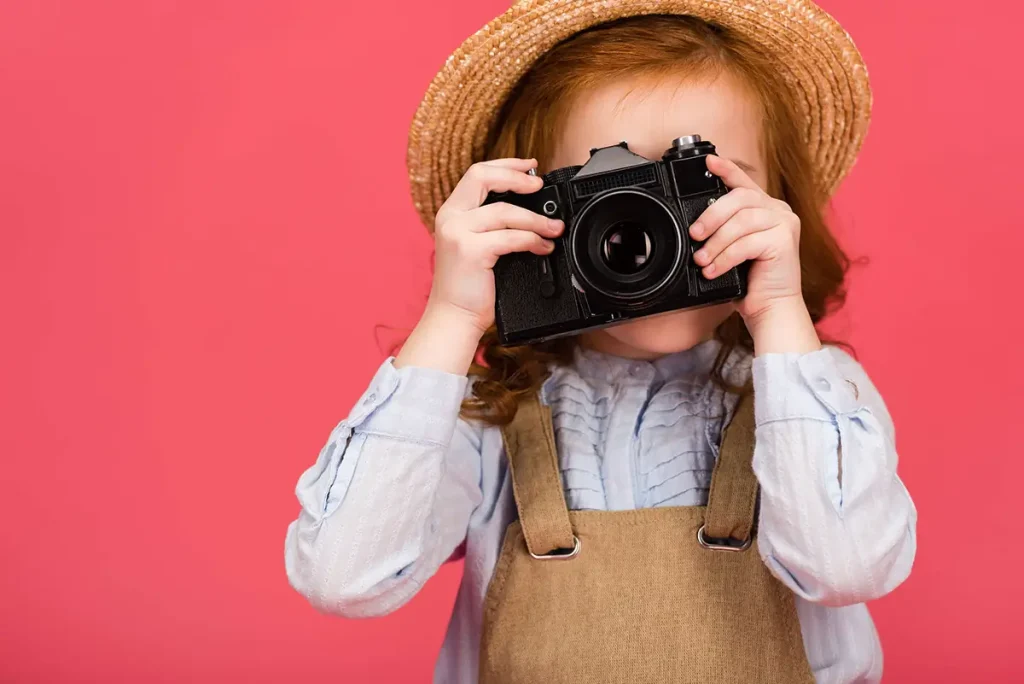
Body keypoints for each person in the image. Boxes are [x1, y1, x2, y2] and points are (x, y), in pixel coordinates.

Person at [285, 2, 917, 682]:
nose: (652, 232)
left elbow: (849, 566)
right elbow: (343, 575)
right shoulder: (491, 422)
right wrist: (451, 319)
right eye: (608, 198)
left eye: (697, 185)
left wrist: (782, 320)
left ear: (777, 208)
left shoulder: (813, 402)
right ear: (527, 213)